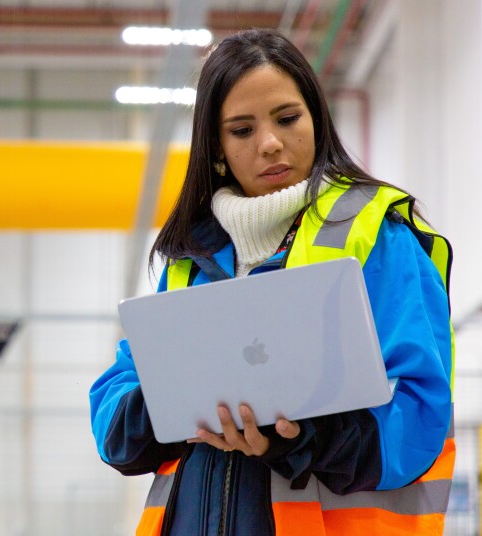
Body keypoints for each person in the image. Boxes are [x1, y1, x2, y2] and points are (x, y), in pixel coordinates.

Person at [90, 28, 454, 536]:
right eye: (241, 130)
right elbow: (114, 412)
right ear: (216, 148)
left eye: (287, 119)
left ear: (316, 120)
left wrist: (301, 437)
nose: (270, 144)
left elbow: (419, 419)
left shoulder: (378, 238)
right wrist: (165, 410)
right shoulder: (189, 259)